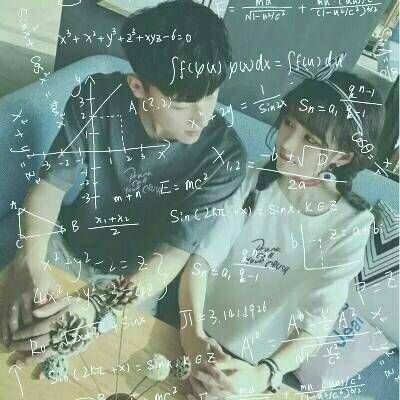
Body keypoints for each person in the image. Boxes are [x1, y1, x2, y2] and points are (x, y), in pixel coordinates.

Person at [0, 0, 246, 365]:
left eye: (210, 96)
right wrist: (30, 262)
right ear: (138, 87)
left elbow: (173, 253)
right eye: (181, 106)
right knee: (17, 339)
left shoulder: (224, 157)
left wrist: (97, 307)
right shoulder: (97, 96)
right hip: (65, 246)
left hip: (135, 282)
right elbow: (51, 186)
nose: (201, 117)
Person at [179, 69, 385, 395]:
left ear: (343, 156)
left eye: (310, 140)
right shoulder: (254, 180)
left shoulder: (351, 224)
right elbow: (201, 260)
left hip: (256, 368)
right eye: (289, 122)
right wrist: (193, 338)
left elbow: (316, 324)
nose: (287, 143)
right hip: (192, 330)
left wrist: (261, 376)